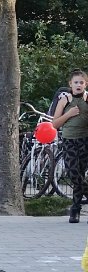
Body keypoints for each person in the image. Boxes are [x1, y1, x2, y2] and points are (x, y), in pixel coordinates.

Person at [52, 69, 88, 223]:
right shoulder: (65, 100)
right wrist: (69, 114)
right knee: (73, 173)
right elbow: (55, 124)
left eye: (81, 82)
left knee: (80, 173)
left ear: (85, 84)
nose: (78, 85)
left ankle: (75, 210)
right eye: (76, 82)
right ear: (70, 84)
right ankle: (76, 208)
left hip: (85, 140)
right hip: (69, 141)